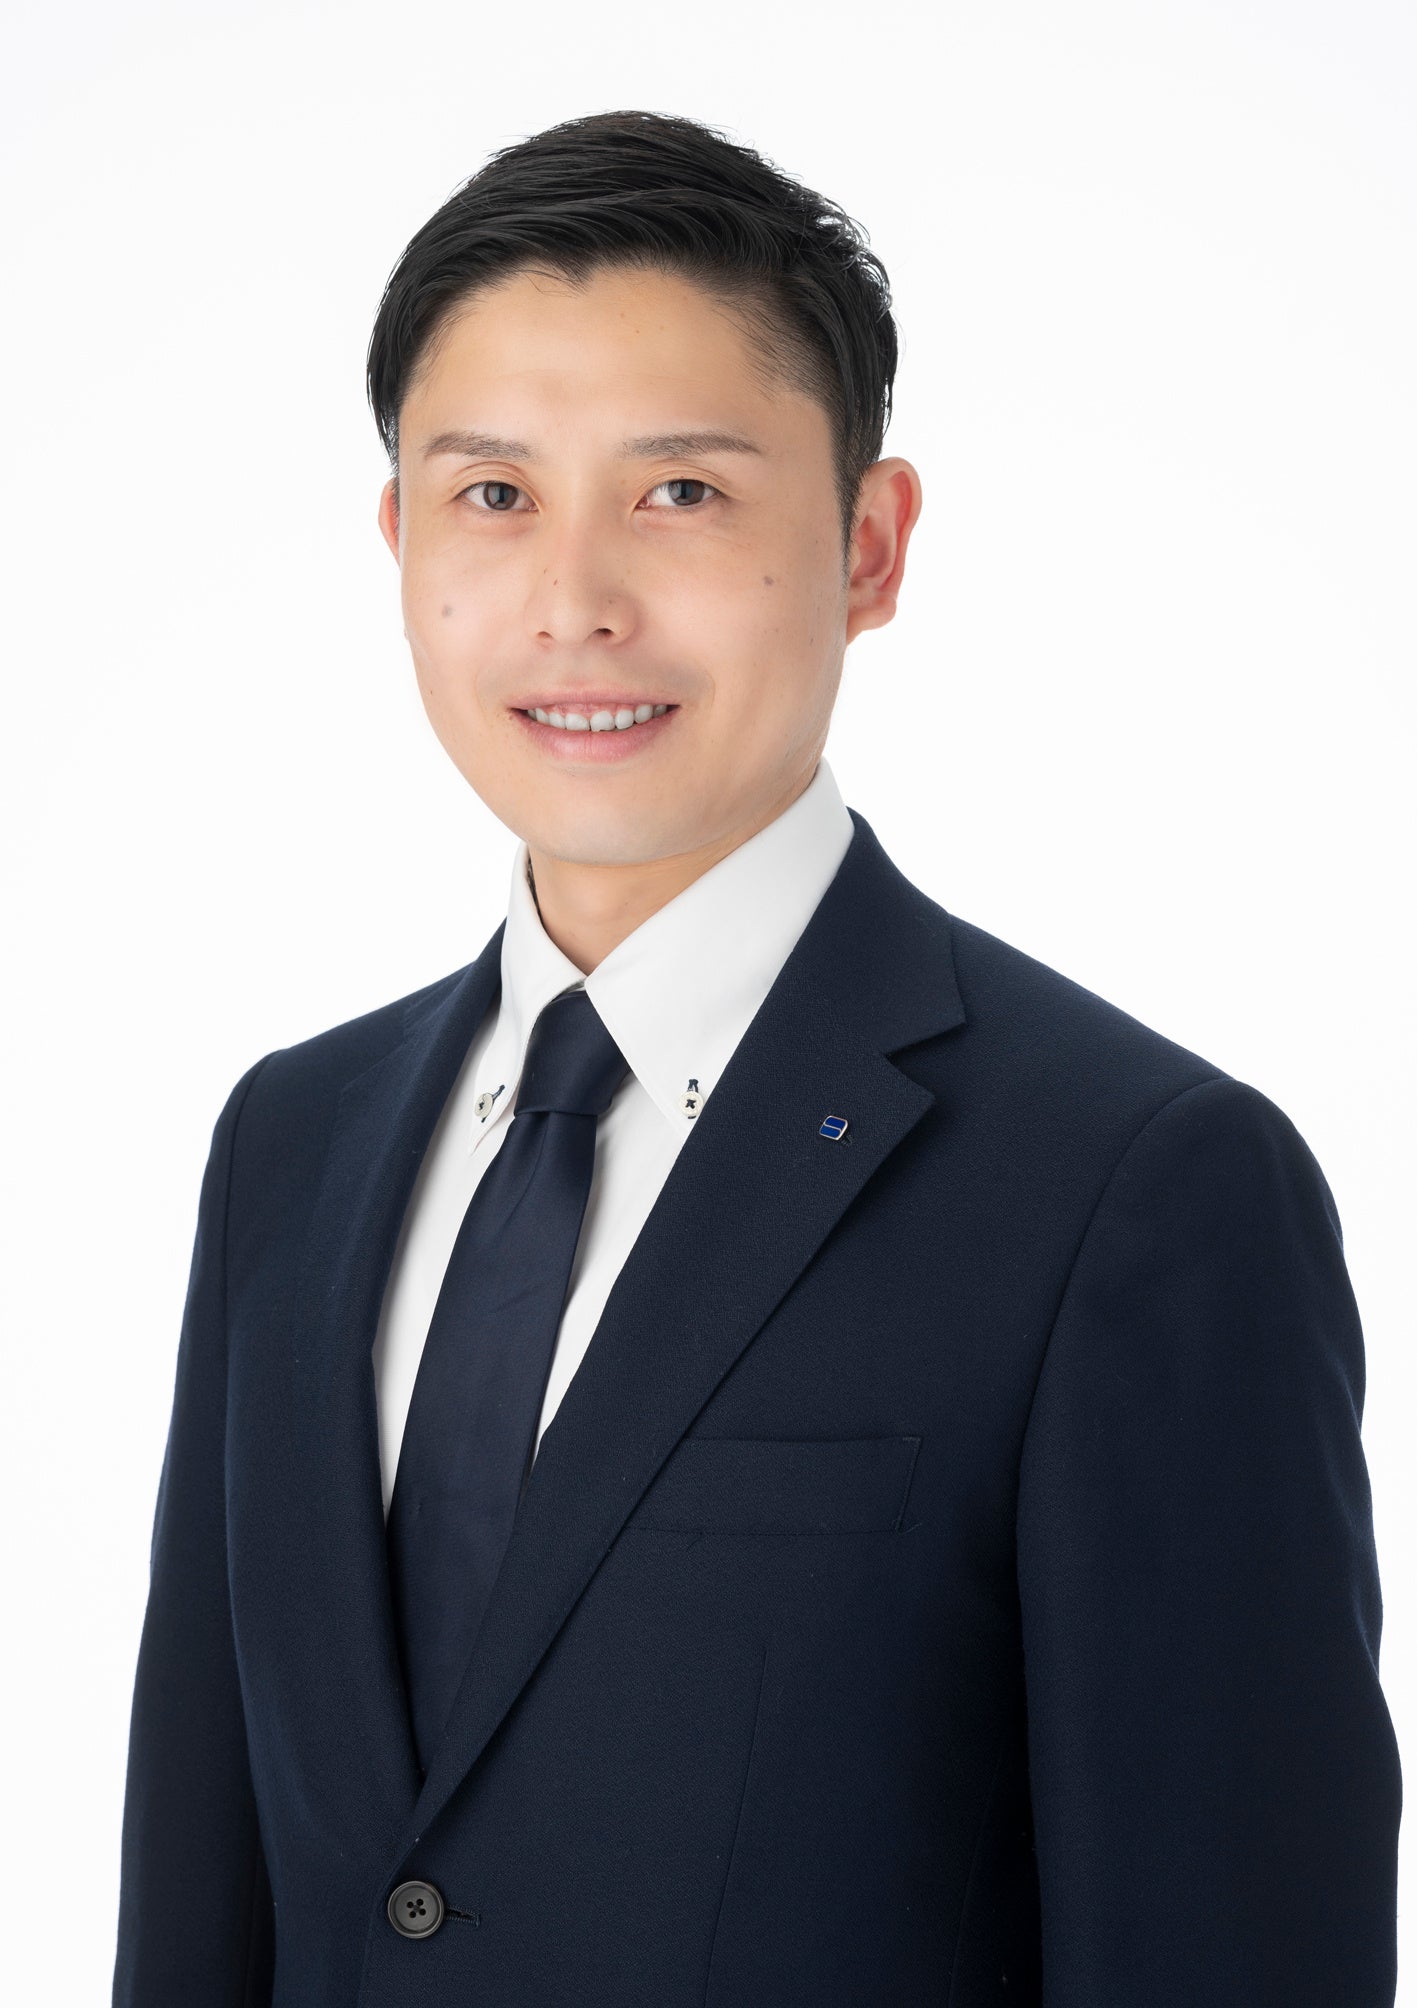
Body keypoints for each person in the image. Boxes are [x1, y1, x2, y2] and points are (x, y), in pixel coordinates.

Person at [112, 107, 1401, 2007]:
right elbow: (207, 1895)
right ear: (398, 541)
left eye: (680, 493)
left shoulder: (1133, 1186)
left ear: (867, 546)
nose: (574, 600)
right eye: (493, 495)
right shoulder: (291, 1145)